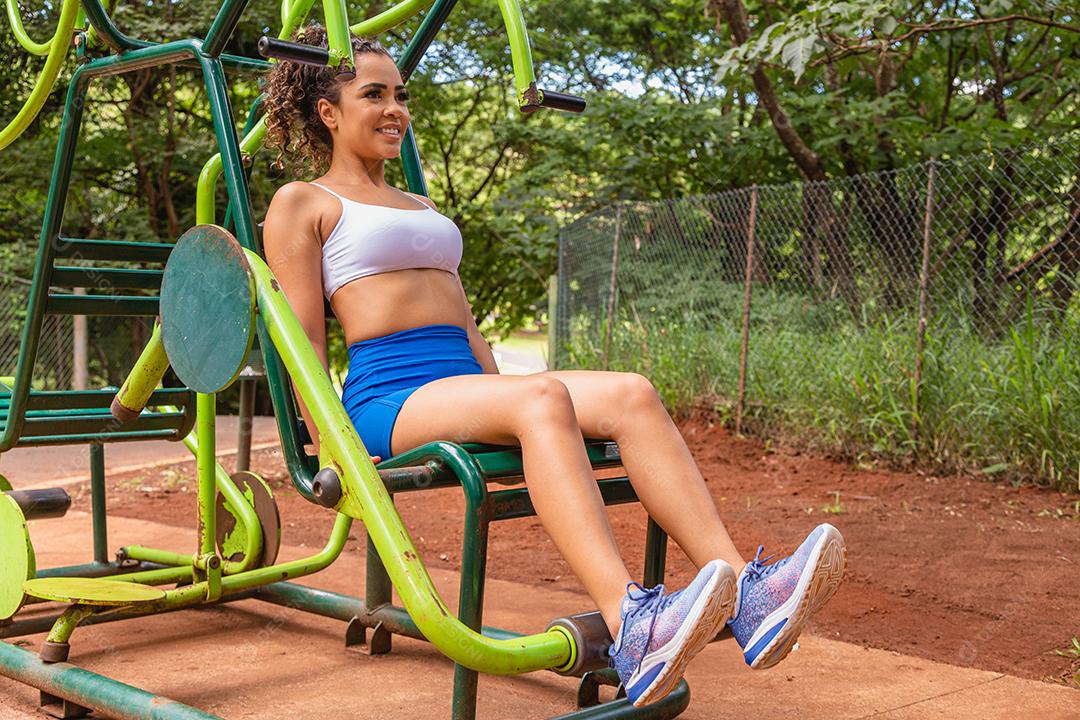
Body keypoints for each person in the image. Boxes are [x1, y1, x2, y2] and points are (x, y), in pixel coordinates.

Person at [261, 25, 846, 708]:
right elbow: (300, 341)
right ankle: (633, 624)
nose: (395, 109)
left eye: (401, 95)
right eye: (374, 95)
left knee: (631, 393)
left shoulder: (420, 204)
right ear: (328, 112)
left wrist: (506, 401)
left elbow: (464, 322)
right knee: (541, 398)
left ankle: (746, 591)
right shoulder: (303, 202)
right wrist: (329, 447)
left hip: (462, 386)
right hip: (388, 396)